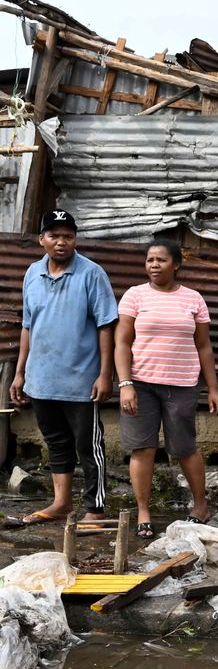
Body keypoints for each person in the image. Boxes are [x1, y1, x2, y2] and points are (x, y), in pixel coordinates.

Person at [9, 209, 118, 524]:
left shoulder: (91, 273)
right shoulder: (32, 273)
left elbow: (106, 326)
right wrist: (20, 373)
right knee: (56, 442)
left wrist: (104, 374)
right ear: (41, 239)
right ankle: (61, 503)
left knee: (88, 446)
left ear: (75, 240)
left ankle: (95, 510)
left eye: (68, 236)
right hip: (42, 379)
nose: (61, 242)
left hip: (82, 380)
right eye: (54, 235)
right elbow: (28, 326)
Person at [114, 239, 218, 538]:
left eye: (161, 260)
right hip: (141, 384)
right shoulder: (135, 296)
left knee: (184, 448)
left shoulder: (193, 299)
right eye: (149, 260)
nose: (154, 265)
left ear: (176, 264)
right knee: (143, 448)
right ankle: (144, 512)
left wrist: (213, 387)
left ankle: (200, 505)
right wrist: (125, 384)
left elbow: (203, 346)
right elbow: (122, 342)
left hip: (182, 385)